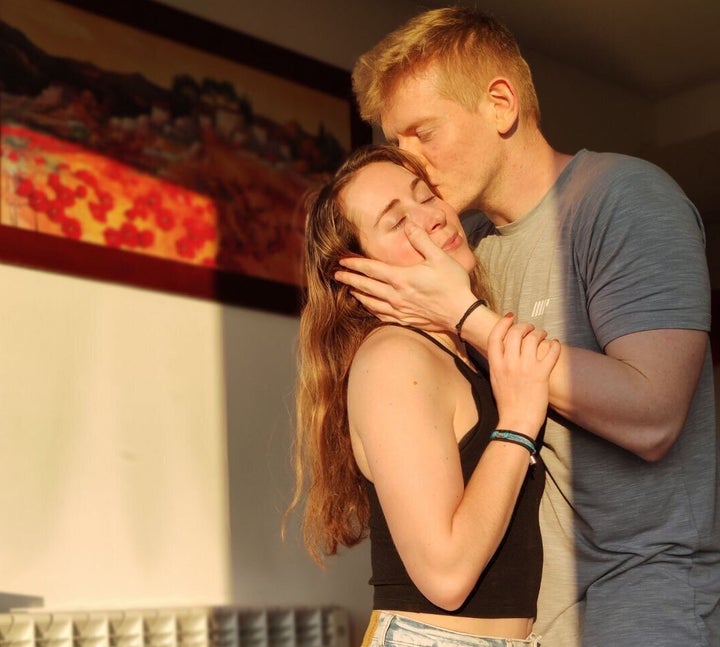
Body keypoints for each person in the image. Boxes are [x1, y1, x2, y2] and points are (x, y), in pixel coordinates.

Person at [334, 7, 720, 647]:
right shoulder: (468, 248)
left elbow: (653, 416)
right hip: (535, 621)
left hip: (641, 602)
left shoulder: (623, 199)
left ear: (500, 104)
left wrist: (466, 318)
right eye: (397, 146)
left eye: (422, 134)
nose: (414, 164)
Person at [286, 144, 561, 647]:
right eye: (396, 222)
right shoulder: (394, 359)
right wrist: (519, 421)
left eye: (426, 195)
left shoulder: (454, 354)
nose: (431, 218)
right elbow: (446, 574)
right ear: (357, 272)